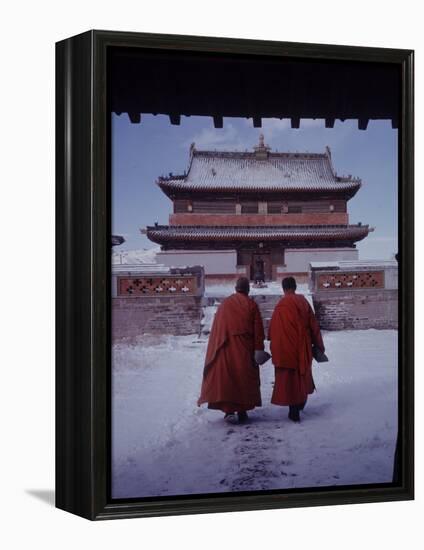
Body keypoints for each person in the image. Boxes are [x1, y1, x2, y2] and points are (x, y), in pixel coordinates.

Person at [197, 276, 265, 424]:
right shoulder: (251, 304)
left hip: (226, 346)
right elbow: (258, 330)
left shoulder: (225, 304)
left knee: (228, 378)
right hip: (244, 348)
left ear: (236, 288)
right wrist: (259, 348)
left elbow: (217, 328)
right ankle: (242, 411)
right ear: (247, 289)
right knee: (243, 378)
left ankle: (229, 410)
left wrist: (217, 344)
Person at [268, 276, 325, 422]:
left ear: (283, 288)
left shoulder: (280, 305)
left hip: (285, 347)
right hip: (301, 345)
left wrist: (275, 346)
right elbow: (313, 325)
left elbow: (272, 330)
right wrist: (319, 346)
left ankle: (293, 407)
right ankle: (299, 404)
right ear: (295, 287)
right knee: (301, 375)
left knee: (289, 378)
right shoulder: (303, 302)